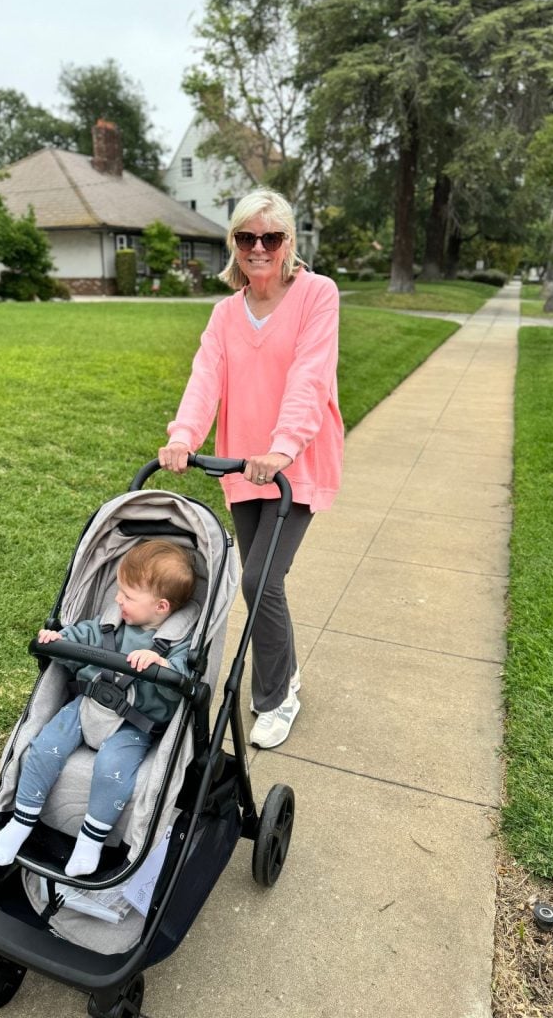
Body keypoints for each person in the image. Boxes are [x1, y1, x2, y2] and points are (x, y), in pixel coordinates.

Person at [158, 188, 343, 750]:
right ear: (234, 244)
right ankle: (284, 671)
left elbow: (311, 376)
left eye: (271, 237)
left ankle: (276, 696)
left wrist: (284, 447)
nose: (258, 248)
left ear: (289, 243)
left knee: (260, 578)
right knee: (265, 581)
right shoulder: (223, 314)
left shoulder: (317, 294)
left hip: (295, 463)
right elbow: (205, 379)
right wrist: (183, 436)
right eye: (246, 237)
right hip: (242, 464)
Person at [0, 539, 198, 876]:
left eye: (128, 596)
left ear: (161, 607)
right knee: (44, 747)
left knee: (112, 768)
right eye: (119, 590)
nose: (118, 599)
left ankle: (91, 841)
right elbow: (74, 641)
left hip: (132, 724)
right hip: (85, 706)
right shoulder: (106, 625)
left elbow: (180, 688)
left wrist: (161, 665)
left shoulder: (177, 645)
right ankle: (21, 820)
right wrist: (57, 641)